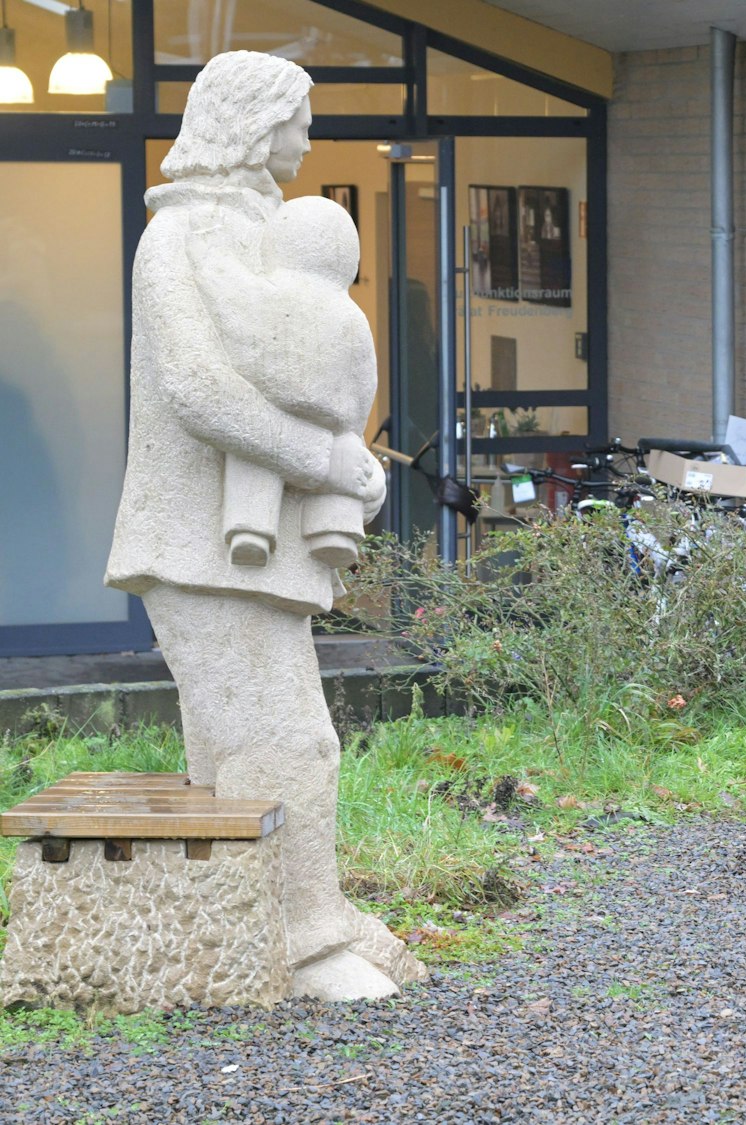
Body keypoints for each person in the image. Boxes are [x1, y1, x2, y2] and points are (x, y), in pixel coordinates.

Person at [105, 51, 420, 1001]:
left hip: (242, 544)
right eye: (299, 117)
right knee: (288, 738)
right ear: (253, 124)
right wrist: (327, 460)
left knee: (239, 747)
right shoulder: (183, 238)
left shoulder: (252, 238)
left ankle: (266, 924)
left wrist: (337, 461)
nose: (310, 137)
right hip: (197, 540)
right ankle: (307, 937)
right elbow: (201, 389)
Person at [214, 194, 378, 569]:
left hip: (276, 403)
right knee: (345, 460)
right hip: (334, 420)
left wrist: (208, 251)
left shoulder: (266, 294)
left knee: (252, 456)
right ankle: (334, 531)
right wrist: (355, 431)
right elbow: (364, 380)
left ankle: (249, 530)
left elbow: (227, 301)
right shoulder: (353, 317)